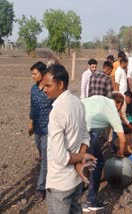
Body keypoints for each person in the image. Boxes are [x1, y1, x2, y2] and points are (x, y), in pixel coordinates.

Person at [42, 64, 96, 214]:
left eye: (48, 85)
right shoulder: (77, 102)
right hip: (75, 180)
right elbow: (85, 136)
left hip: (60, 182)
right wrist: (80, 162)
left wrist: (83, 156)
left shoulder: (57, 112)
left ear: (60, 84)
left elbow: (60, 157)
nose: (44, 89)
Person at [81, 93, 126, 212]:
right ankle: (90, 201)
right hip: (86, 133)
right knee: (98, 162)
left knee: (81, 160)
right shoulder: (113, 110)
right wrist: (120, 154)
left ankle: (80, 188)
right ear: (119, 104)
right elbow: (122, 139)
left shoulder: (100, 98)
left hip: (73, 127)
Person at [28, 61, 53, 203]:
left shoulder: (50, 89)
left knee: (44, 160)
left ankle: (40, 188)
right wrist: (30, 123)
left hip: (49, 130)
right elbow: (32, 106)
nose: (32, 76)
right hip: (37, 128)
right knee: (42, 155)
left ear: (42, 74)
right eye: (32, 74)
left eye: (35, 73)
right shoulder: (33, 89)